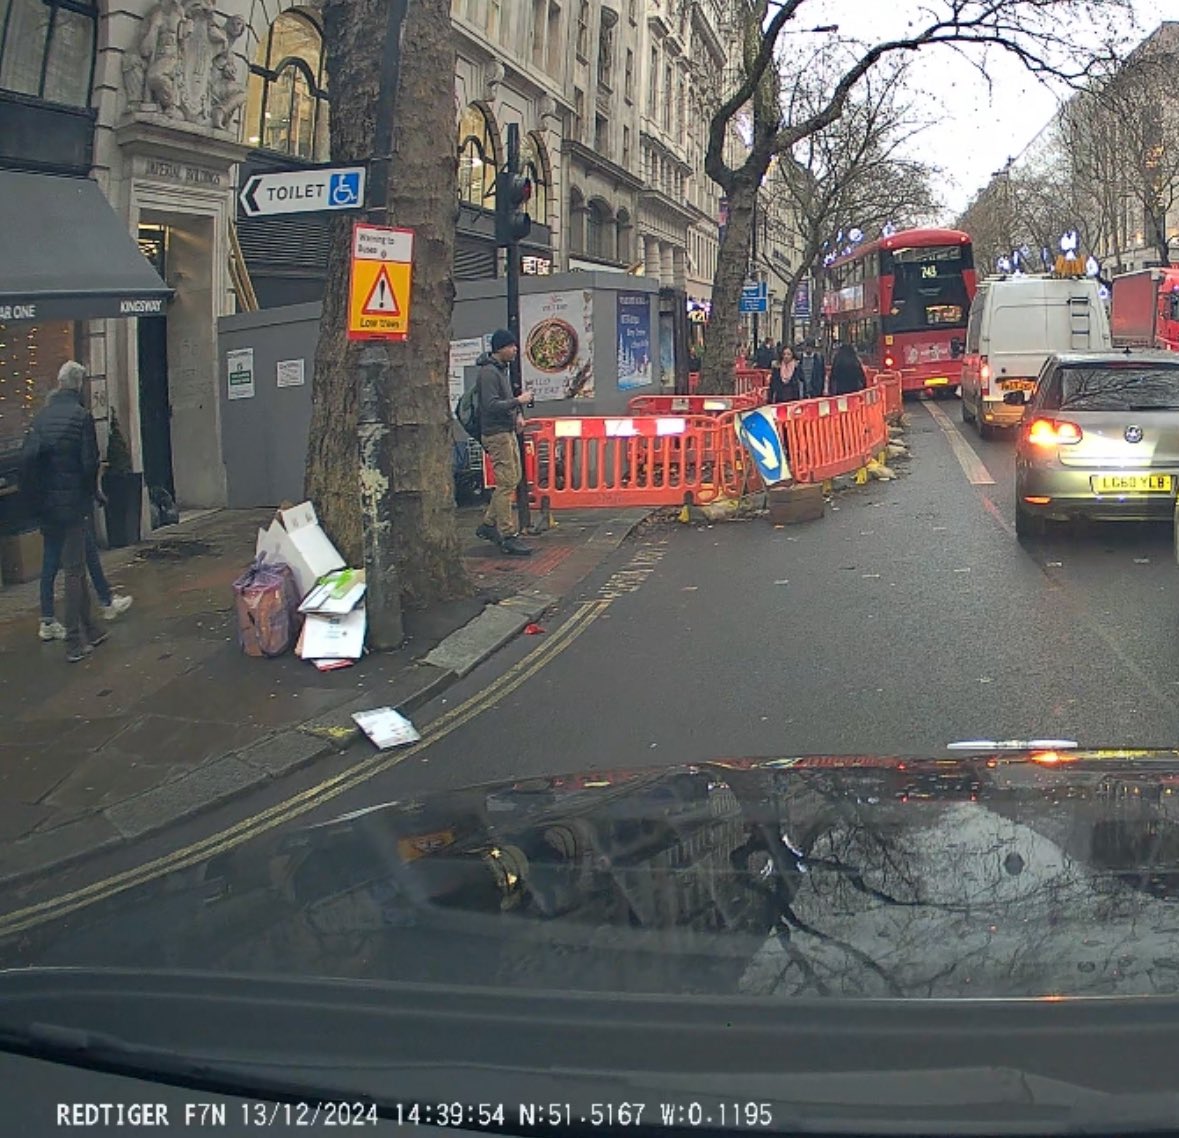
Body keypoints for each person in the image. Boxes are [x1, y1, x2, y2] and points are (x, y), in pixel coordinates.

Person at [20, 361, 109, 662]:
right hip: (72, 505)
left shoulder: (41, 418)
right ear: (79, 384)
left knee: (68, 565)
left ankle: (90, 627)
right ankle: (74, 639)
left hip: (47, 507)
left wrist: (36, 502)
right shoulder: (81, 416)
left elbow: (28, 461)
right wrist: (91, 494)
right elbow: (89, 463)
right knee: (74, 570)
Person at [474, 329, 534, 557]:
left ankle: (489, 524)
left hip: (506, 430)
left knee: (513, 478)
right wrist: (518, 401)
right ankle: (508, 534)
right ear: (500, 348)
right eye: (511, 346)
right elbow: (490, 405)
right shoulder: (489, 373)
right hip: (496, 433)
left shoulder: (501, 370)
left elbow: (503, 401)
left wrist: (517, 414)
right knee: (506, 482)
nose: (515, 349)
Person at [38, 520, 133, 642]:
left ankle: (48, 620)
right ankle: (105, 604)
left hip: (50, 520)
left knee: (50, 568)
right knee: (83, 562)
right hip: (69, 517)